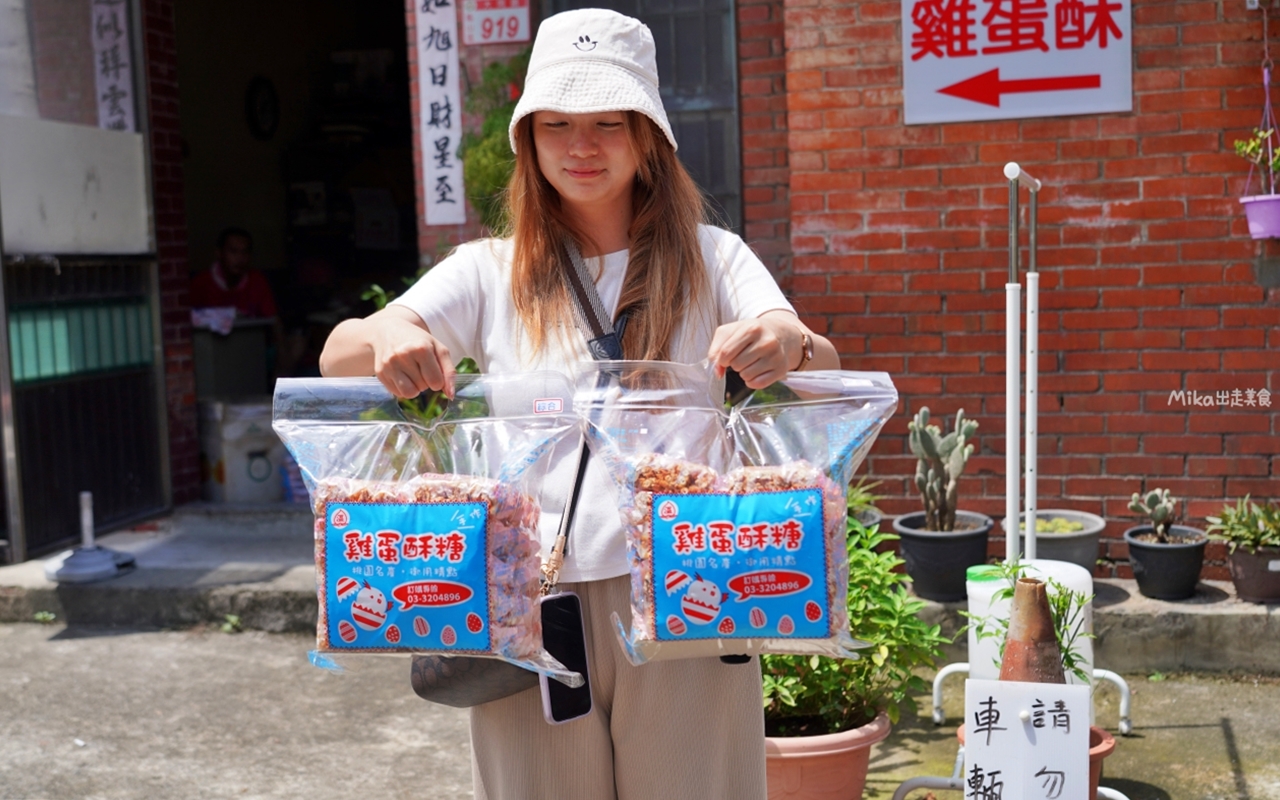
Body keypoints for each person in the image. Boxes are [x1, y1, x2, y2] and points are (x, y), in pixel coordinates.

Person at [319, 9, 839, 799]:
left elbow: (820, 363)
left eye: (607, 123)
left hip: (692, 584)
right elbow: (337, 356)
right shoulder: (490, 270)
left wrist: (785, 341)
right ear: (529, 139)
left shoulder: (711, 256)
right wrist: (390, 329)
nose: (581, 146)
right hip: (528, 596)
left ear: (648, 137)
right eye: (557, 124)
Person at [190, 227, 279, 319]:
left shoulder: (257, 280)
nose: (240, 258)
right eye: (233, 251)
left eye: (244, 252)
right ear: (219, 253)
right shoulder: (201, 283)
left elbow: (273, 319)